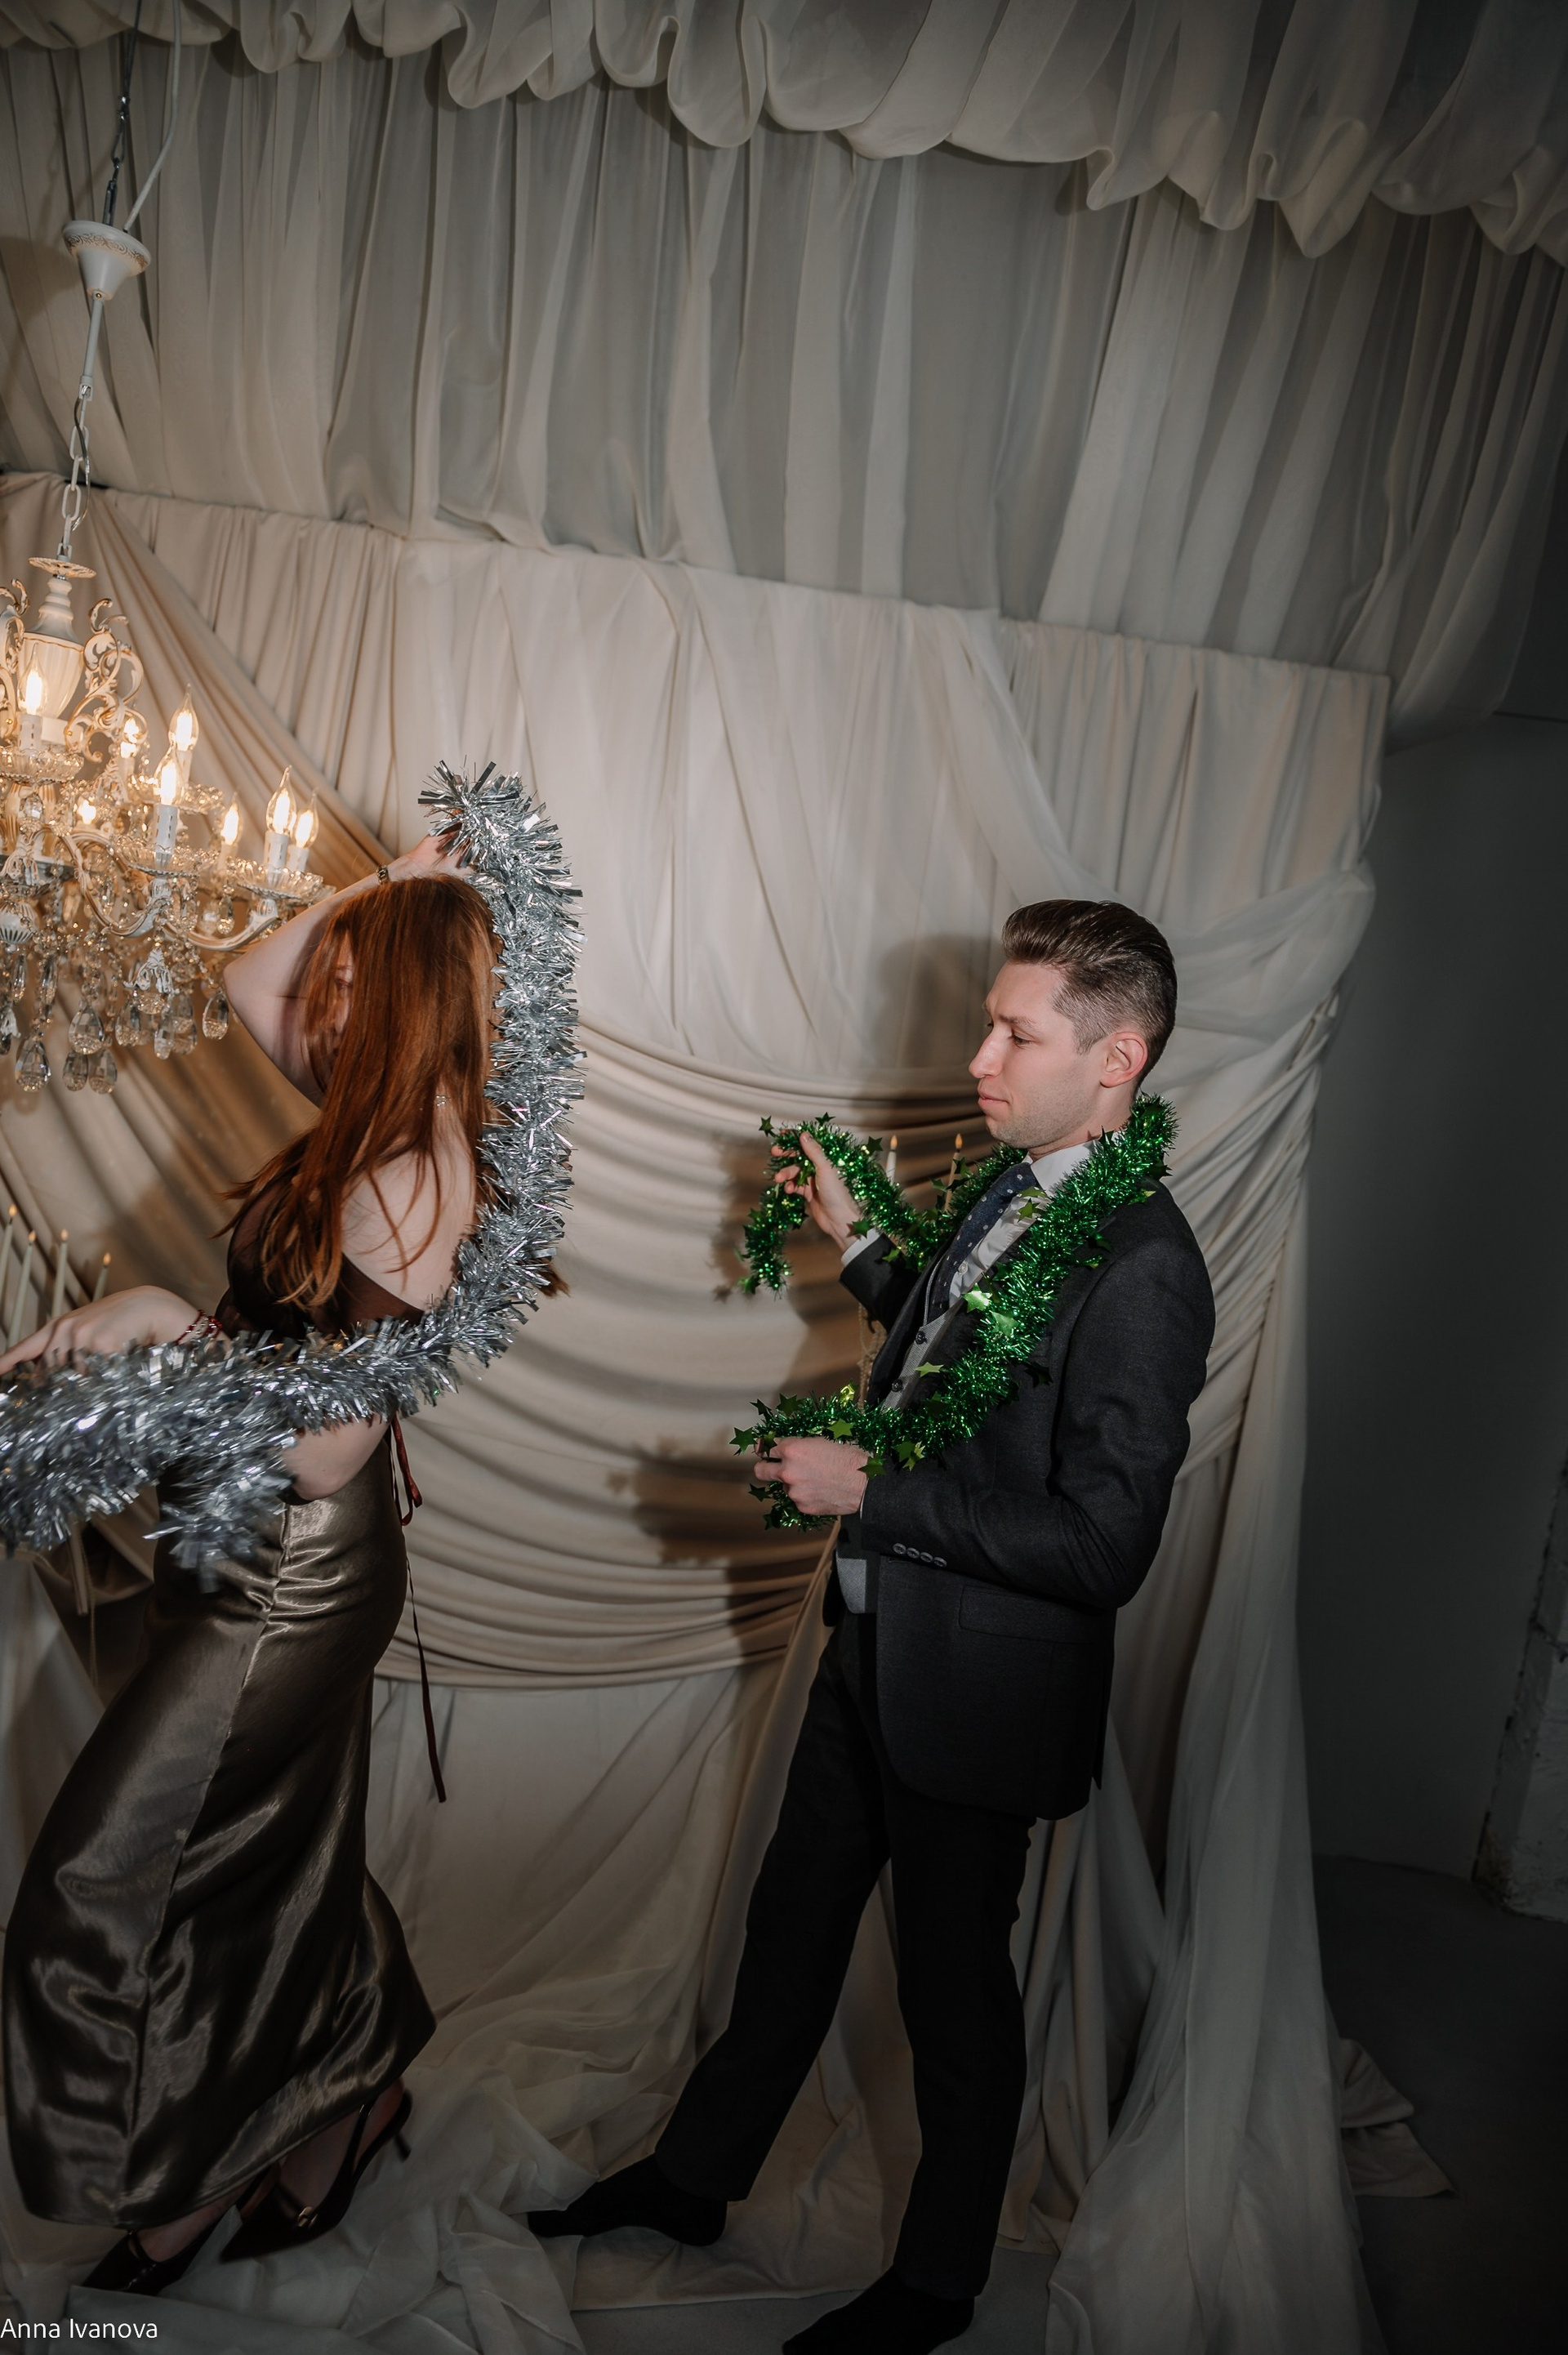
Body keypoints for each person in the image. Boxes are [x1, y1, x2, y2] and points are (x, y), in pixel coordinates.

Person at [530, 899, 1215, 2354]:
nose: (979, 1058)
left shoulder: (1148, 1264)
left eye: (1015, 1033)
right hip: (875, 1649)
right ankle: (695, 2181)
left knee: (953, 2002)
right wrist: (861, 1251)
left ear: (1119, 1058)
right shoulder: (1013, 1182)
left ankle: (938, 2286)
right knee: (788, 1934)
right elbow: (962, 1365)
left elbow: (1106, 1547)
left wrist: (872, 1493)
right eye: (988, 1024)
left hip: (978, 1699)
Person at [0, 831, 493, 2295]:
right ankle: (344, 2097)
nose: (318, 999)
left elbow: (328, 1453)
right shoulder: (369, 1108)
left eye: (349, 981)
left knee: (101, 1886)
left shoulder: (414, 1177)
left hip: (296, 1571)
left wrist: (163, 1319)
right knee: (273, 1862)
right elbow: (243, 978)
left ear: (394, 1001)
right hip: (238, 1541)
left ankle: (175, 2188)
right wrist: (382, 886)